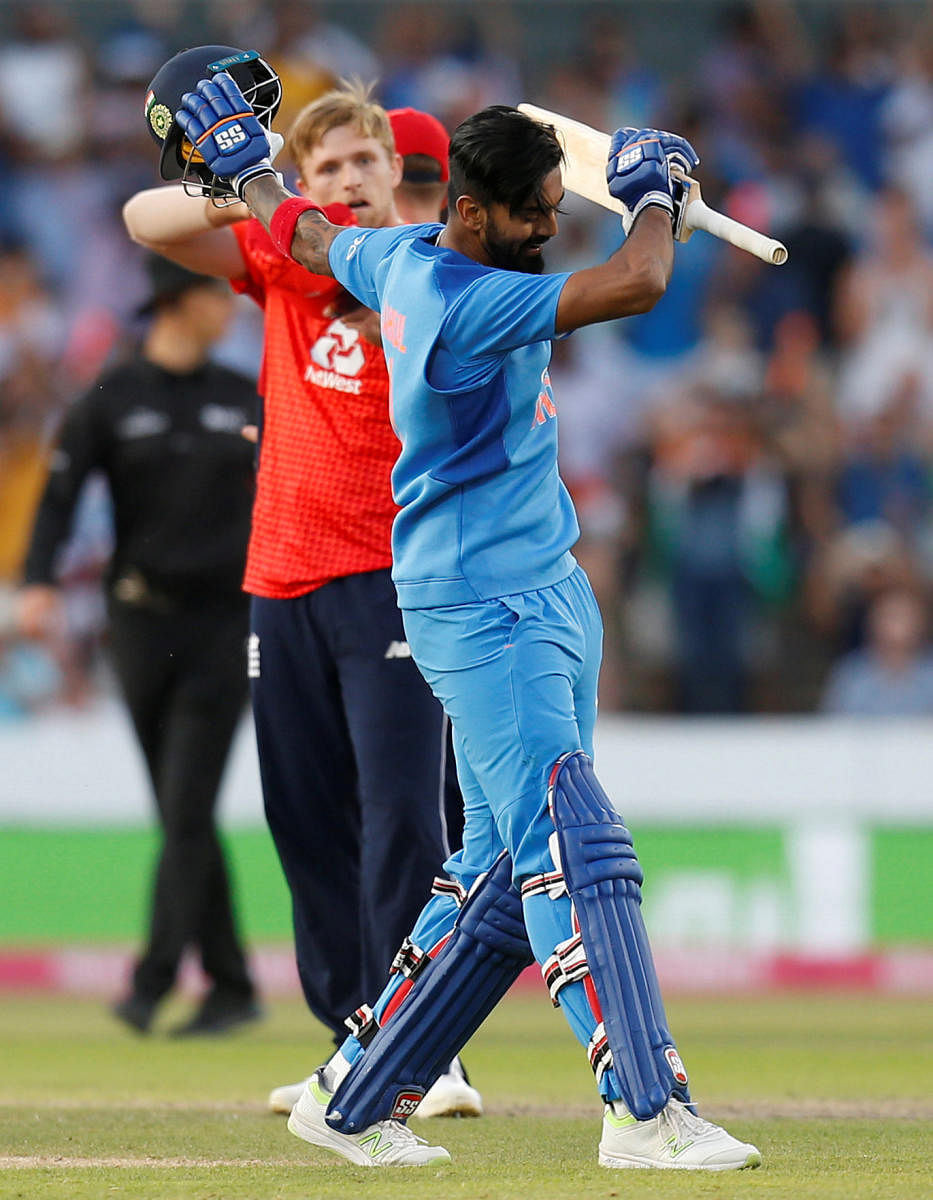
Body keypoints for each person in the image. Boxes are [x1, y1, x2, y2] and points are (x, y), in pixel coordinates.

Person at [172, 72, 763, 1170]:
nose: (551, 223)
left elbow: (300, 235)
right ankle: (645, 1109)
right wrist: (656, 202)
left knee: (494, 872)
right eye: (537, 209)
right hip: (482, 603)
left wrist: (248, 167)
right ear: (475, 213)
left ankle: (352, 1097)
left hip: (537, 582)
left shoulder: (392, 255)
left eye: (558, 204)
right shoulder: (463, 302)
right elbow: (636, 282)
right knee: (570, 841)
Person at [125, 48, 478, 1118]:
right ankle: (352, 1046)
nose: (349, 177)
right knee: (303, 817)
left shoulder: (421, 259)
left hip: (394, 575)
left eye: (365, 158)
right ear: (302, 184)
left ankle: (430, 1050)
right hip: (281, 580)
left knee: (405, 817)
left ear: (395, 173)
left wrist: (269, 189)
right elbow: (147, 223)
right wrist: (229, 177)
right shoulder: (280, 263)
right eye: (324, 166)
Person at [17, 252, 261, 1036]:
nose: (230, 308)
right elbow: (58, 497)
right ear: (175, 303)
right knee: (179, 807)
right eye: (215, 295)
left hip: (226, 624)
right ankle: (230, 983)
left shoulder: (243, 394)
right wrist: (38, 581)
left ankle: (152, 980)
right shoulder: (111, 398)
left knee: (186, 801)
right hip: (140, 623)